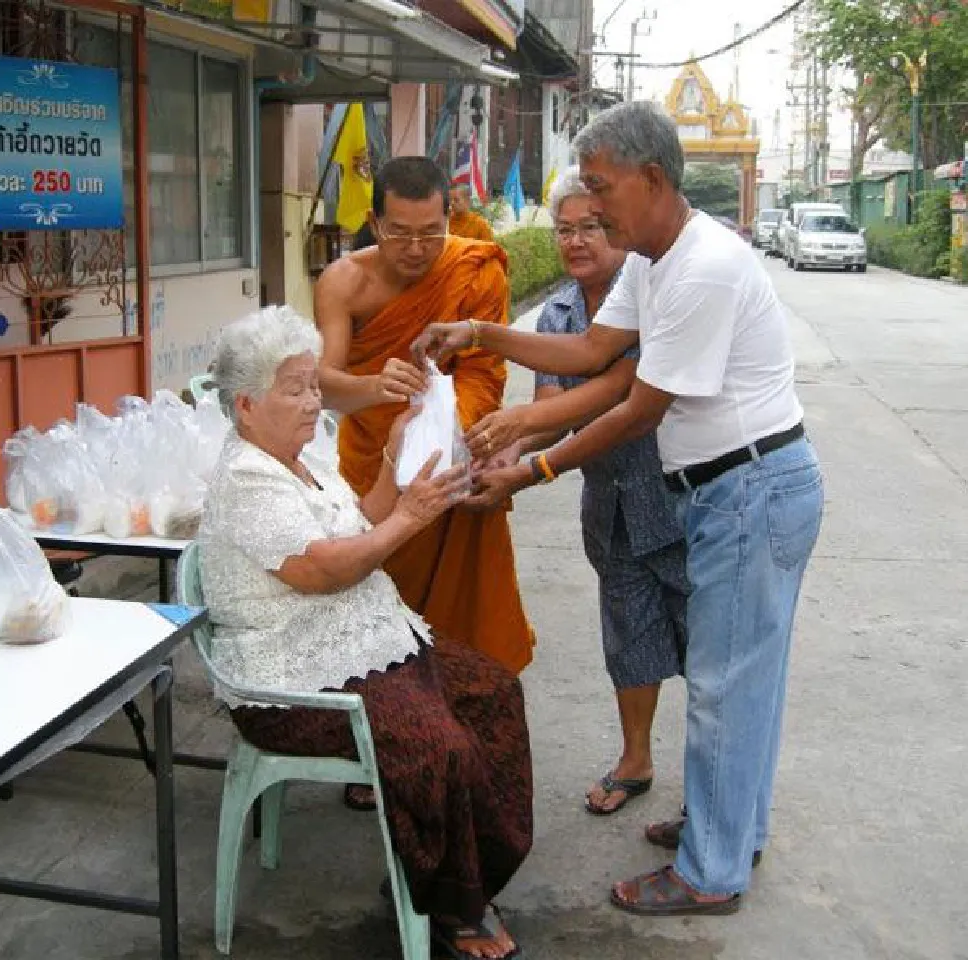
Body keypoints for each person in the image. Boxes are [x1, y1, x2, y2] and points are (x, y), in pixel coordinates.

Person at [414, 101, 824, 916]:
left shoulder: (703, 266)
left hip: (751, 489)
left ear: (653, 179)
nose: (591, 206)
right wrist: (481, 334)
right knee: (742, 684)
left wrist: (532, 470)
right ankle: (729, 830)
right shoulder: (650, 257)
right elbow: (591, 349)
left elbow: (637, 406)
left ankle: (709, 875)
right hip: (726, 490)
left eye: (601, 188)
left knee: (722, 689)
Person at [199, 305, 532, 960]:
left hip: (365, 645)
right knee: (441, 748)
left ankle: (465, 875)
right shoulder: (246, 480)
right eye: (292, 389)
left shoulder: (303, 458)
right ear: (245, 405)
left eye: (312, 385)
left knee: (493, 691)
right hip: (291, 681)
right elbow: (323, 571)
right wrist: (409, 518)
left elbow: (360, 522)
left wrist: (397, 451)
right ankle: (450, 907)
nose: (309, 402)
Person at [468, 169, 688, 816]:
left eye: (591, 226)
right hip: (611, 505)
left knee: (708, 645)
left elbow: (619, 395)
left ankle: (712, 788)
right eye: (564, 229)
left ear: (617, 227)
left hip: (675, 497)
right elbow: (550, 407)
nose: (576, 241)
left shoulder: (648, 294)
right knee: (629, 634)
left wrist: (530, 461)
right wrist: (506, 451)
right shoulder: (559, 312)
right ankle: (636, 759)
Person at [314, 156, 535, 677]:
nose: (416, 250)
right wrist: (375, 386)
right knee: (373, 595)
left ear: (449, 222)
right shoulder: (344, 282)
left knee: (460, 613)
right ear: (375, 224)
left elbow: (484, 375)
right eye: (400, 234)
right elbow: (324, 385)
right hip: (371, 458)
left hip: (453, 455)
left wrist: (439, 432)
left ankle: (462, 707)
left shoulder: (473, 267)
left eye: (431, 234)